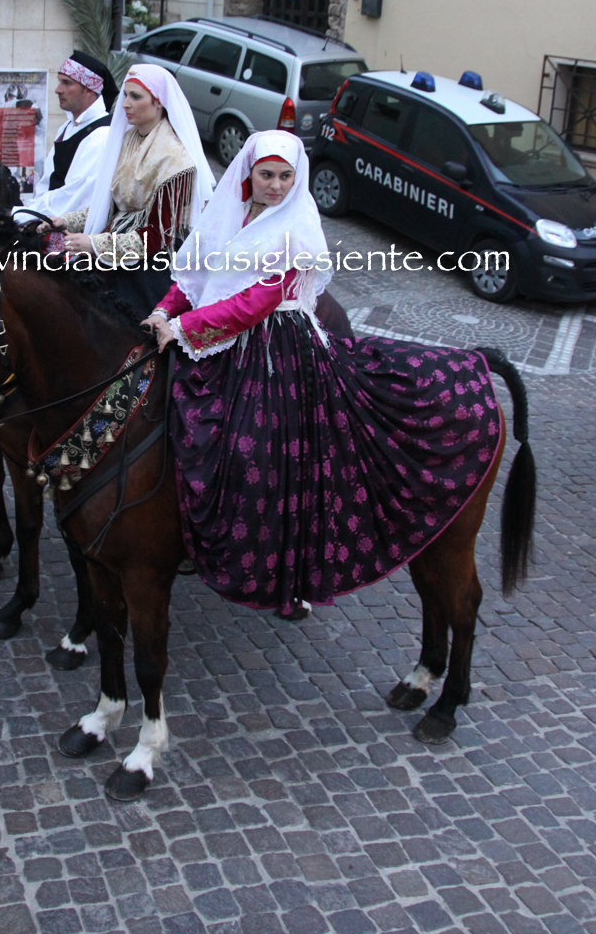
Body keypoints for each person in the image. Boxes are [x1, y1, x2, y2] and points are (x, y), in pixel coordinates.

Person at [144, 130, 503, 618]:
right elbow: (194, 276)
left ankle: (279, 562)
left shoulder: (296, 226)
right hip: (216, 336)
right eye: (266, 175)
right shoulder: (229, 212)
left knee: (258, 449)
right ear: (248, 173)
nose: (275, 185)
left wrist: (185, 327)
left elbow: (257, 301)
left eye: (284, 176)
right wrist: (163, 311)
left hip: (276, 347)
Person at [54, 63, 214, 316]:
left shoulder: (177, 159)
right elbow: (112, 207)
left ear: (159, 102)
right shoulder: (127, 140)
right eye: (125, 95)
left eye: (136, 97)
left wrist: (95, 244)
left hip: (150, 261)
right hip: (113, 243)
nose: (125, 104)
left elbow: (159, 236)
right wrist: (66, 220)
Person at [29, 52, 117, 217]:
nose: (58, 90)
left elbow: (76, 196)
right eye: (59, 81)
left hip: (71, 226)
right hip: (47, 218)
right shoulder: (67, 127)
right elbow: (47, 181)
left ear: (89, 89)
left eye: (67, 83)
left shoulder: (102, 134)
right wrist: (31, 211)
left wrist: (30, 213)